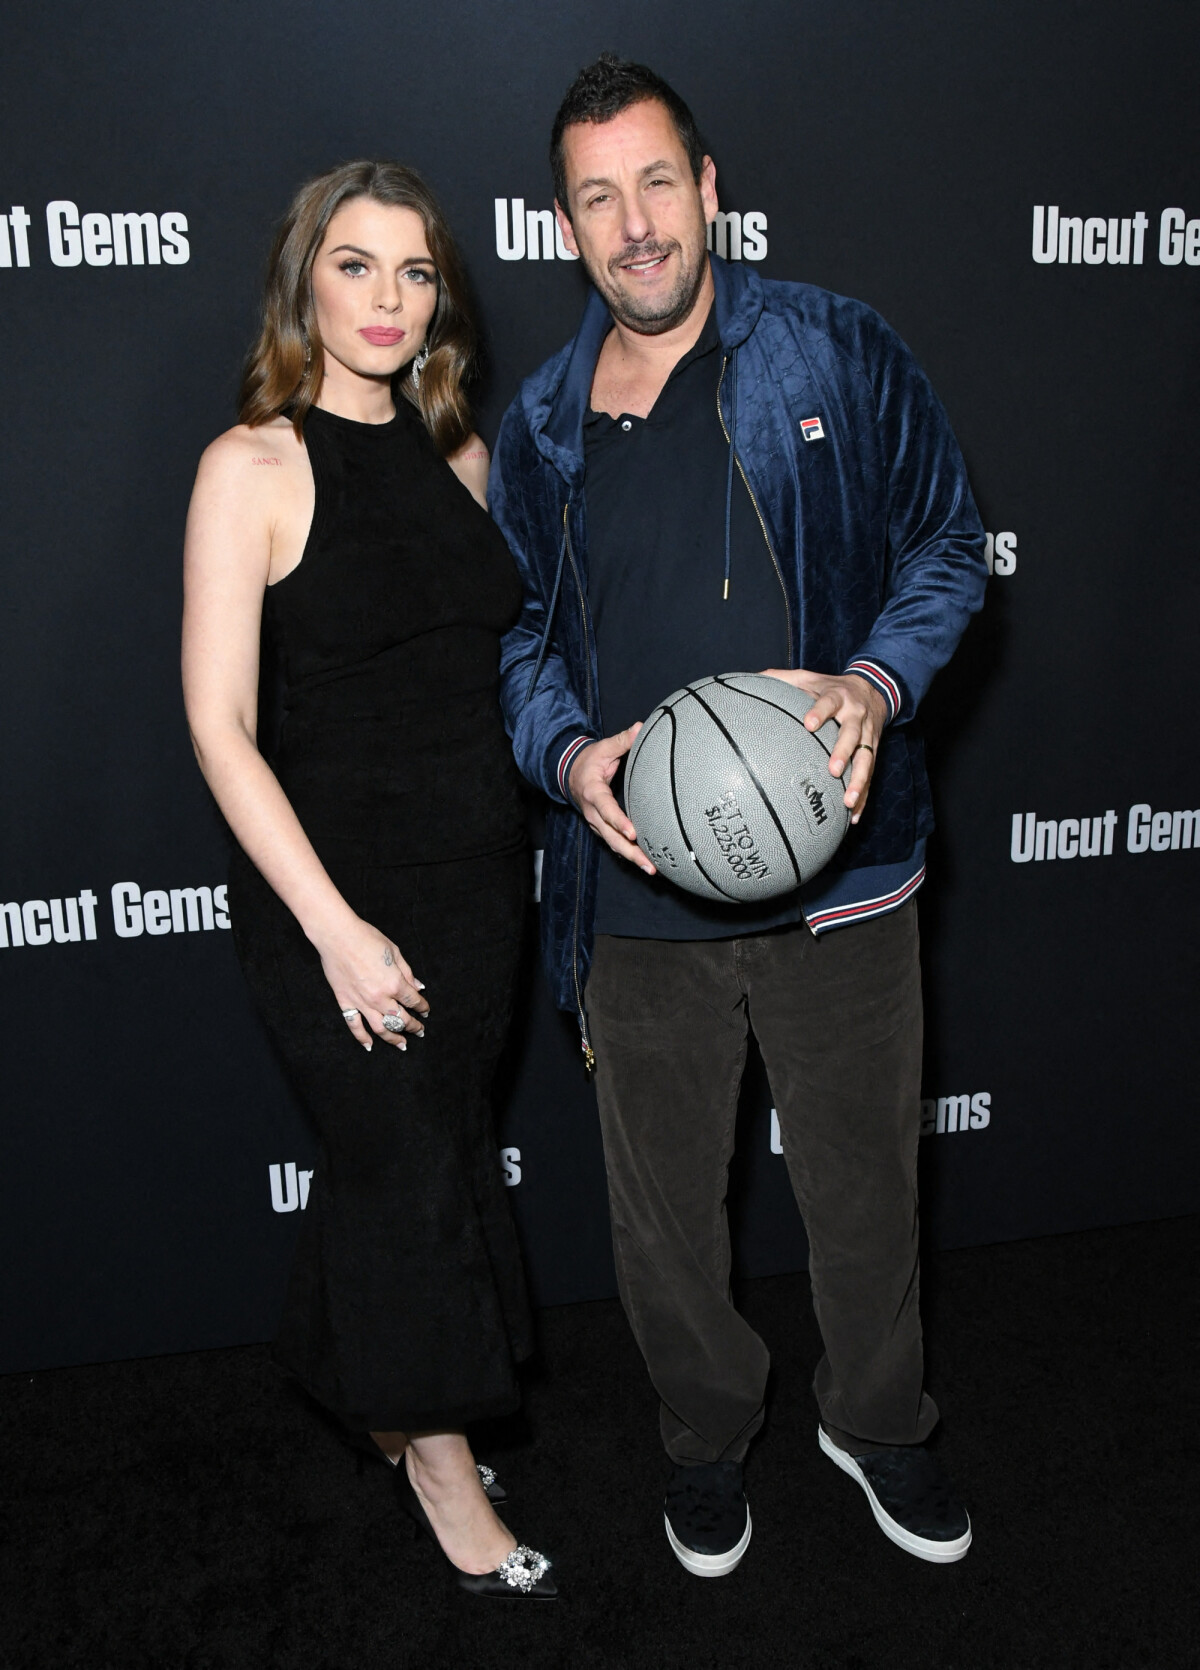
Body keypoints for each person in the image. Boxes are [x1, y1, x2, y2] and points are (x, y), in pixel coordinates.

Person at [491, 56, 988, 1577]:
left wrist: (876, 686)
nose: (635, 224)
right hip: (636, 895)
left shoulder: (834, 347)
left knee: (861, 1186)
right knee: (662, 1226)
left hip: (845, 875)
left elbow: (949, 548)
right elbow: (511, 637)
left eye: (657, 183)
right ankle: (703, 1439)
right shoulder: (542, 425)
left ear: (709, 190)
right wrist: (567, 756)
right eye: (597, 197)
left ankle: (878, 1418)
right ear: (566, 226)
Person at [181, 161, 554, 1599]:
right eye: (356, 265)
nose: (388, 299)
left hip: (476, 885)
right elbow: (218, 724)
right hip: (329, 895)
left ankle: (388, 1403)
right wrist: (333, 931)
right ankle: (447, 1470)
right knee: (405, 1171)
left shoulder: (462, 462)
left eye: (414, 272)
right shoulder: (251, 466)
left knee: (430, 1154)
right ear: (304, 283)